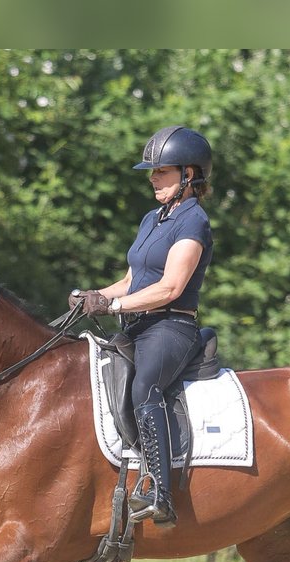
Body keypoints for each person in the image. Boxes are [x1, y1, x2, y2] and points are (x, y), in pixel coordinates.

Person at [70, 125, 214, 528]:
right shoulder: (152, 218)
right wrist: (93, 295)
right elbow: (134, 280)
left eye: (161, 171)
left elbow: (169, 288)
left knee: (143, 386)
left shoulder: (194, 222)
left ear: (189, 174)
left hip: (172, 328)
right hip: (138, 325)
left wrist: (113, 304)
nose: (152, 178)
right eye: (151, 172)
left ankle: (159, 489)